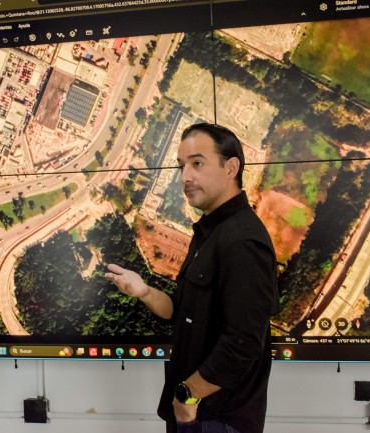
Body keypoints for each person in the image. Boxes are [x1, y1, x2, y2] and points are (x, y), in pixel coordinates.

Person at [105, 123, 277, 433]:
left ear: (231, 168)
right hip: (196, 413)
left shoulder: (241, 240)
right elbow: (182, 310)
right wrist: (143, 291)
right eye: (181, 166)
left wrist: (188, 396)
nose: (185, 176)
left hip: (216, 418)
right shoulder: (212, 232)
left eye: (197, 163)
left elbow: (244, 341)